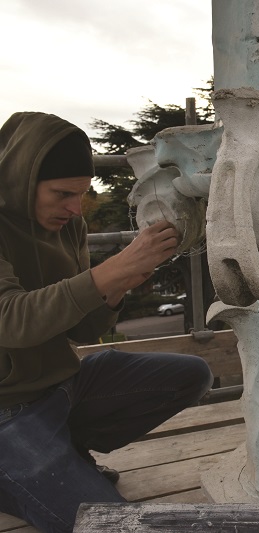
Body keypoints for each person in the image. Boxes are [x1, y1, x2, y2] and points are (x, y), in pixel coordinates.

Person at [0, 111, 213, 532]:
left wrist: (118, 285)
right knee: (110, 525)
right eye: (62, 194)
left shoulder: (69, 225)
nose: (74, 208)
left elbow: (82, 330)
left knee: (192, 374)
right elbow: (11, 321)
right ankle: (23, 471)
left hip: (63, 388)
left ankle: (62, 452)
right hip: (7, 410)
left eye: (81, 194)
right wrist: (110, 271)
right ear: (21, 179)